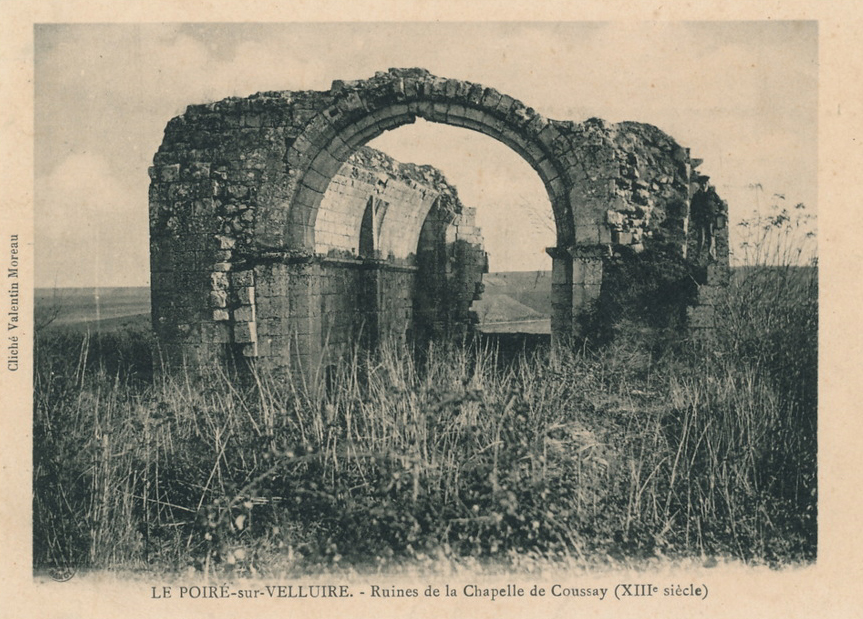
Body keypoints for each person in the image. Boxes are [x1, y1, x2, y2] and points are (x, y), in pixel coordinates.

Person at [689, 175, 723, 261]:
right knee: (701, 238)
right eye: (702, 183)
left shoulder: (712, 194)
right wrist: (694, 218)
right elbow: (692, 208)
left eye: (705, 183)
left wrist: (720, 212)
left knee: (711, 237)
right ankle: (698, 256)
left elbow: (720, 203)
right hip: (700, 219)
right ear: (700, 185)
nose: (704, 185)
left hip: (710, 219)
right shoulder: (697, 195)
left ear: (708, 183)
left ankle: (711, 256)